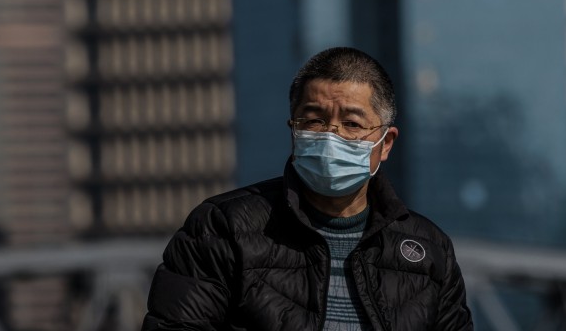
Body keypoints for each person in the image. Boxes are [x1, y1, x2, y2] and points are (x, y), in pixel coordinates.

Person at [142, 46, 474, 330]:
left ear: (386, 143)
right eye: (313, 120)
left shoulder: (429, 249)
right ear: (293, 128)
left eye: (352, 124)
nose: (331, 135)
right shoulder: (222, 228)